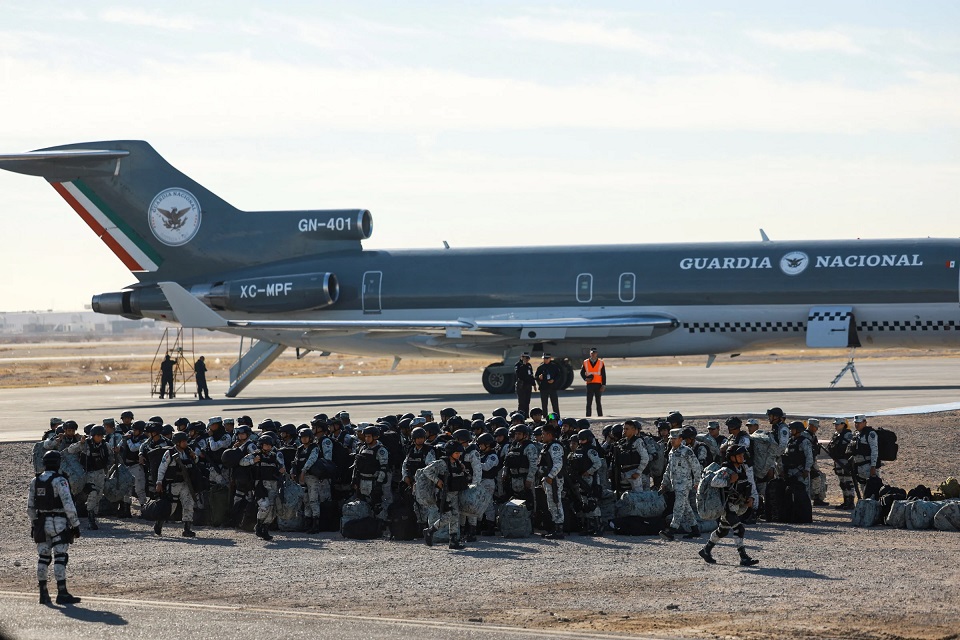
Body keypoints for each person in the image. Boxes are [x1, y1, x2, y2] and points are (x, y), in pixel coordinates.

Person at [28, 450, 82, 605]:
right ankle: (62, 592)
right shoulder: (60, 480)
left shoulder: (35, 480)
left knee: (43, 558)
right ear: (58, 463)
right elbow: (68, 503)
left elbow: (30, 507)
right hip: (58, 522)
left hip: (41, 522)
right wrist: (75, 524)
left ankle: (43, 593)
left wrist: (34, 523)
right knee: (60, 557)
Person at [699, 445, 759, 567]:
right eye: (740, 455)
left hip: (736, 505)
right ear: (732, 457)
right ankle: (743, 557)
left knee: (722, 531)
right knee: (739, 529)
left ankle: (706, 550)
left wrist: (751, 498)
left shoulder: (741, 468)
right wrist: (729, 481)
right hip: (727, 506)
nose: (742, 457)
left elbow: (747, 484)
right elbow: (714, 482)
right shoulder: (726, 470)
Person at [422, 441, 469, 549]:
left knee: (455, 516)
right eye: (457, 453)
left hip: (455, 494)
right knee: (447, 516)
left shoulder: (457, 463)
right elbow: (426, 471)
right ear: (450, 452)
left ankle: (453, 541)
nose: (459, 455)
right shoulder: (441, 463)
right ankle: (430, 531)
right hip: (444, 494)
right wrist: (437, 481)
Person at [660, 428, 703, 540]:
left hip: (684, 485)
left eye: (674, 438)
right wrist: (664, 483)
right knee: (687, 508)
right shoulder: (671, 452)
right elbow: (668, 469)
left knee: (678, 507)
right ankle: (695, 530)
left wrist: (697, 482)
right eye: (671, 439)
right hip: (675, 484)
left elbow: (696, 467)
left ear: (680, 439)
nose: (672, 441)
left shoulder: (686, 451)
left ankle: (672, 530)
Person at [240, 434, 286, 540]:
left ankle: (265, 528)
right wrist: (253, 461)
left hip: (273, 485)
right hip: (260, 485)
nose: (268, 447)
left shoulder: (275, 456)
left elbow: (282, 468)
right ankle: (259, 524)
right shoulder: (256, 455)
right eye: (266, 445)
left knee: (272, 508)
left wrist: (282, 471)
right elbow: (242, 462)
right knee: (264, 505)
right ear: (261, 445)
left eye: (270, 445)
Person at [154, 432, 199, 537]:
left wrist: (194, 456)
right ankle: (159, 524)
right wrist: (159, 482)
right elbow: (162, 468)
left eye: (186, 441)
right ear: (177, 443)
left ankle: (187, 529)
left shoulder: (187, 451)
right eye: (183, 441)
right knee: (171, 506)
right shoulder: (169, 453)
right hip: (173, 484)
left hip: (186, 483)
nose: (185, 443)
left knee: (188, 505)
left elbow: (195, 462)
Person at [67, 425, 111, 530]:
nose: (99, 438)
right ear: (93, 435)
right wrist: (80, 443)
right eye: (97, 436)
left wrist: (107, 470)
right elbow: (70, 450)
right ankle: (90, 518)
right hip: (88, 474)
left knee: (99, 495)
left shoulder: (105, 445)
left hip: (100, 473)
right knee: (93, 493)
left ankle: (93, 515)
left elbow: (110, 458)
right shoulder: (86, 444)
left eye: (101, 436)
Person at [353, 426, 390, 523]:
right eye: (365, 436)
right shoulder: (362, 448)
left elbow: (383, 468)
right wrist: (355, 479)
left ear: (375, 437)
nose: (367, 438)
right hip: (362, 480)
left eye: (369, 436)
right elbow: (357, 466)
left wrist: (379, 483)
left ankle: (379, 524)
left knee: (376, 504)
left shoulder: (381, 450)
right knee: (362, 503)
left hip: (373, 481)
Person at [570, 429, 603, 535]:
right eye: (580, 439)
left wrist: (588, 472)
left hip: (590, 479)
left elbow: (598, 463)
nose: (581, 441)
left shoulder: (591, 450)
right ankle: (589, 526)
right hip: (581, 479)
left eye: (583, 439)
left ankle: (598, 526)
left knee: (592, 502)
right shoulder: (579, 450)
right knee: (585, 503)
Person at [537, 423, 566, 539]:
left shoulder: (555, 446)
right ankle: (554, 527)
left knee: (556, 502)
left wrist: (550, 476)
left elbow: (558, 463)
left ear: (549, 435)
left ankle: (559, 529)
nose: (542, 436)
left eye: (543, 434)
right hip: (548, 479)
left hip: (554, 480)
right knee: (551, 504)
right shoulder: (547, 446)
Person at [846, 414, 881, 500]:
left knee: (872, 490)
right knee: (863, 489)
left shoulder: (870, 434)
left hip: (868, 466)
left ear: (865, 422)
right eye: (855, 423)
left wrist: (873, 466)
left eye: (859, 423)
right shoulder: (857, 434)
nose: (857, 425)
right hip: (859, 467)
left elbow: (874, 451)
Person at [827, 418, 856, 509]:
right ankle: (845, 501)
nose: (835, 426)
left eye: (837, 424)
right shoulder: (836, 435)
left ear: (843, 424)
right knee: (842, 482)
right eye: (835, 424)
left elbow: (850, 448)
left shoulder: (848, 435)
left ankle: (850, 501)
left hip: (845, 461)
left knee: (848, 481)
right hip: (838, 461)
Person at [614, 420, 650, 494]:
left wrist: (638, 472)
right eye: (624, 429)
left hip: (634, 474)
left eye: (627, 429)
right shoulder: (621, 442)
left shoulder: (638, 441)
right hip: (623, 474)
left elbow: (645, 458)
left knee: (638, 496)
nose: (624, 431)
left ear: (633, 430)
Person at [782, 421, 813, 491]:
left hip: (801, 471)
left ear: (798, 430)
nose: (791, 431)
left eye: (792, 429)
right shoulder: (790, 441)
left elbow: (809, 457)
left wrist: (807, 470)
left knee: (803, 491)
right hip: (790, 471)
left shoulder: (804, 441)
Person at [805, 419, 829, 506]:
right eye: (815, 427)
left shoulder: (812, 436)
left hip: (812, 461)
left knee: (819, 478)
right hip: (807, 462)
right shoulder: (806, 436)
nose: (816, 429)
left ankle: (818, 498)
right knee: (816, 478)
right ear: (811, 426)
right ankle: (815, 498)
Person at [580, 348, 606, 417]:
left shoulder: (601, 362)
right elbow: (582, 372)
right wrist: (585, 379)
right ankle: (588, 416)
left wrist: (603, 385)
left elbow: (603, 374)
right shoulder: (586, 362)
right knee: (589, 402)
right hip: (590, 384)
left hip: (598, 384)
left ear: (596, 354)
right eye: (592, 353)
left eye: (594, 353)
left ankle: (600, 416)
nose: (593, 354)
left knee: (598, 402)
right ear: (590, 354)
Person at [514, 353, 536, 417]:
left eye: (528, 358)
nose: (527, 360)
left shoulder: (529, 365)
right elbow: (519, 374)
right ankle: (521, 414)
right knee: (521, 402)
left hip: (528, 385)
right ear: (522, 357)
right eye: (526, 358)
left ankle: (526, 414)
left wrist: (534, 384)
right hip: (521, 385)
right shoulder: (518, 365)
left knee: (527, 401)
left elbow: (531, 375)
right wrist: (523, 365)